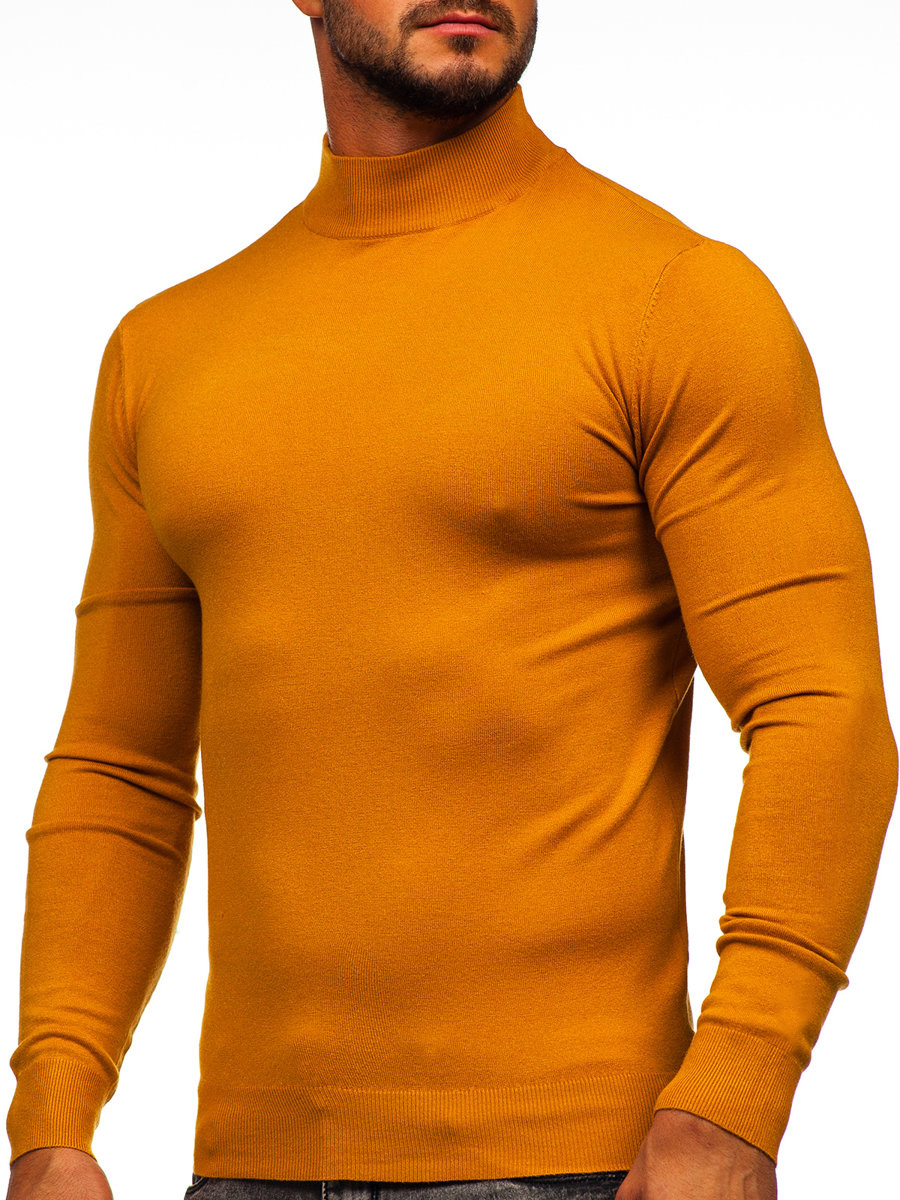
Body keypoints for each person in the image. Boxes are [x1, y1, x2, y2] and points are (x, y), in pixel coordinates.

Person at [5, 1, 897, 1198]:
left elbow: (824, 712)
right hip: (245, 1168)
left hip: (583, 1164)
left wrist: (735, 1100)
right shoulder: (166, 351)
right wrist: (52, 1122)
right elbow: (122, 767)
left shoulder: (676, 297)